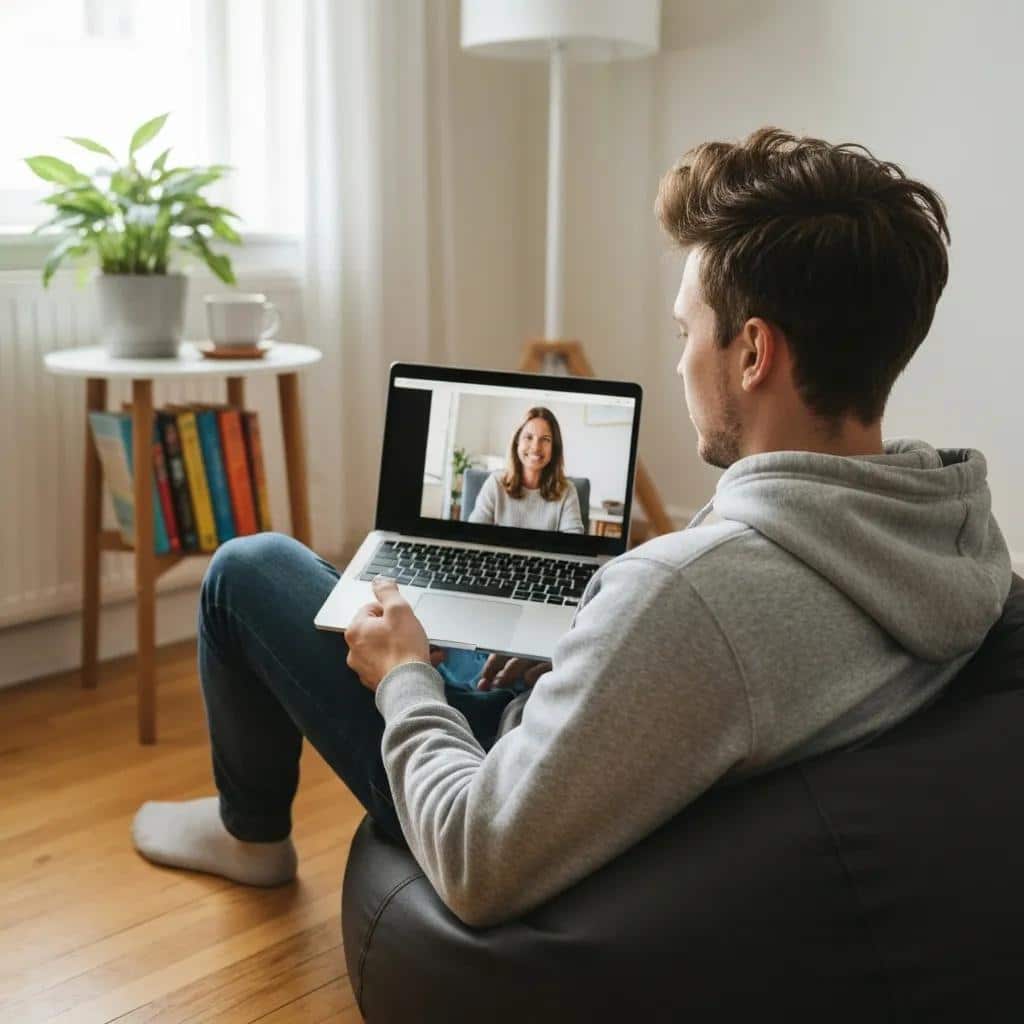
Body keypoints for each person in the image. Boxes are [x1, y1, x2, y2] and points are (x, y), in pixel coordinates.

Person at [131, 127, 1011, 928]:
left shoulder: (684, 595)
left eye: (685, 331)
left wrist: (404, 678)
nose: (677, 361)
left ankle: (249, 832)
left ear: (752, 353)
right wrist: (587, 650)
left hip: (505, 797)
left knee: (248, 569)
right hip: (619, 752)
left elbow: (478, 858)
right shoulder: (953, 533)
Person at [467, 406, 585, 534]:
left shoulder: (567, 491)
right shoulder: (495, 484)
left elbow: (574, 544)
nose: (535, 447)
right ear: (517, 442)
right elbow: (473, 535)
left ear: (554, 447)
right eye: (528, 437)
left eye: (545, 439)